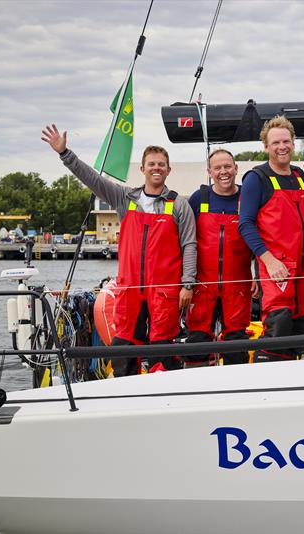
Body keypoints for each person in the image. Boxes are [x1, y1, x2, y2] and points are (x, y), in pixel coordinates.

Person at [41, 124, 196, 375]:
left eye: (161, 164)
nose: (156, 168)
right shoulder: (125, 198)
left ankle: (165, 399)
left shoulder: (179, 205)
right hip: (130, 289)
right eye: (152, 164)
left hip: (165, 291)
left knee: (164, 349)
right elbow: (92, 179)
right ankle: (125, 394)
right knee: (124, 346)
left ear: (168, 170)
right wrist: (65, 154)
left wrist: (188, 284)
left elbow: (189, 245)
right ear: (143, 169)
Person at [238, 115, 304, 362]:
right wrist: (267, 260)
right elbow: (245, 224)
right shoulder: (255, 179)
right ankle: (266, 376)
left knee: (303, 330)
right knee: (277, 328)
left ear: (293, 143)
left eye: (287, 141)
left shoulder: (301, 176)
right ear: (266, 146)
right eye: (276, 142)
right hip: (277, 267)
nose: (282, 147)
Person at [185, 149, 253, 366]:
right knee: (197, 340)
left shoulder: (248, 198)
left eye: (227, 166)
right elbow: (185, 240)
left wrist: (259, 274)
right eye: (217, 168)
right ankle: (196, 387)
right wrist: (185, 280)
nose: (223, 172)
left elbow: (261, 237)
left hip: (239, 284)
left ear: (236, 168)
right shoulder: (198, 199)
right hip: (202, 285)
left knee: (237, 342)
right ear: (209, 172)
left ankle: (236, 391)